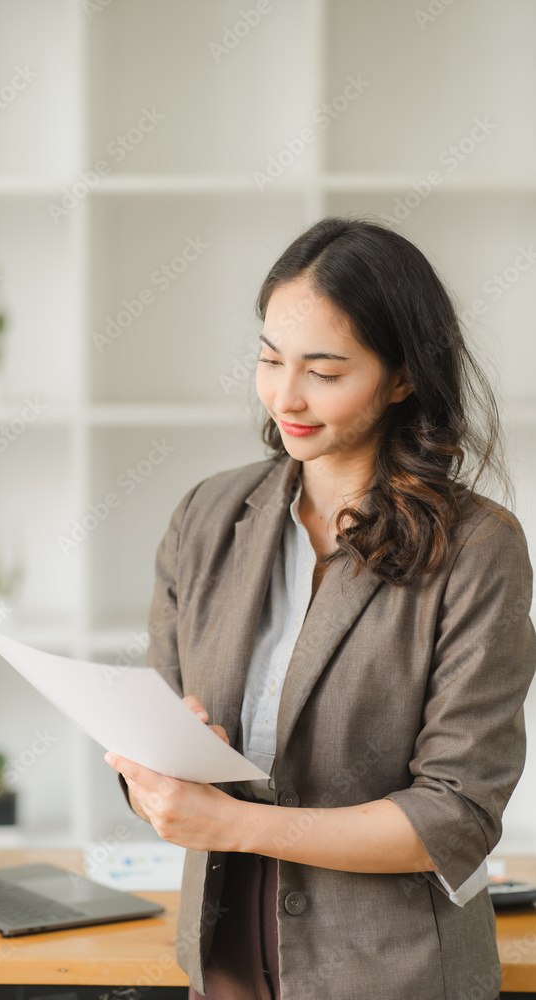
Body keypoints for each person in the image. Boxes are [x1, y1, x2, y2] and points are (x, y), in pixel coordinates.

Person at [105, 217, 536, 1000]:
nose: (286, 397)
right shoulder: (207, 515)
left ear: (402, 377)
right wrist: (158, 770)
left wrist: (231, 824)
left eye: (325, 371)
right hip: (224, 964)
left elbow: (456, 816)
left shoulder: (476, 548)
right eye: (270, 360)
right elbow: (154, 733)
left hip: (394, 976)